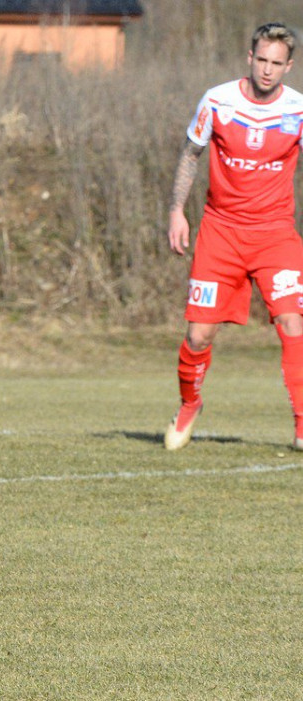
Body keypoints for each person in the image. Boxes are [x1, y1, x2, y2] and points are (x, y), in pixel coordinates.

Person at [165, 22, 303, 450]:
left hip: (275, 234)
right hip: (220, 233)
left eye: (276, 63)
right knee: (198, 336)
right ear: (250, 57)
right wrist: (176, 211)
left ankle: (302, 424)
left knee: (293, 323)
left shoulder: (298, 110)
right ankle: (190, 404)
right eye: (261, 59)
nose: (267, 69)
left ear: (288, 66)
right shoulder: (217, 100)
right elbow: (191, 153)